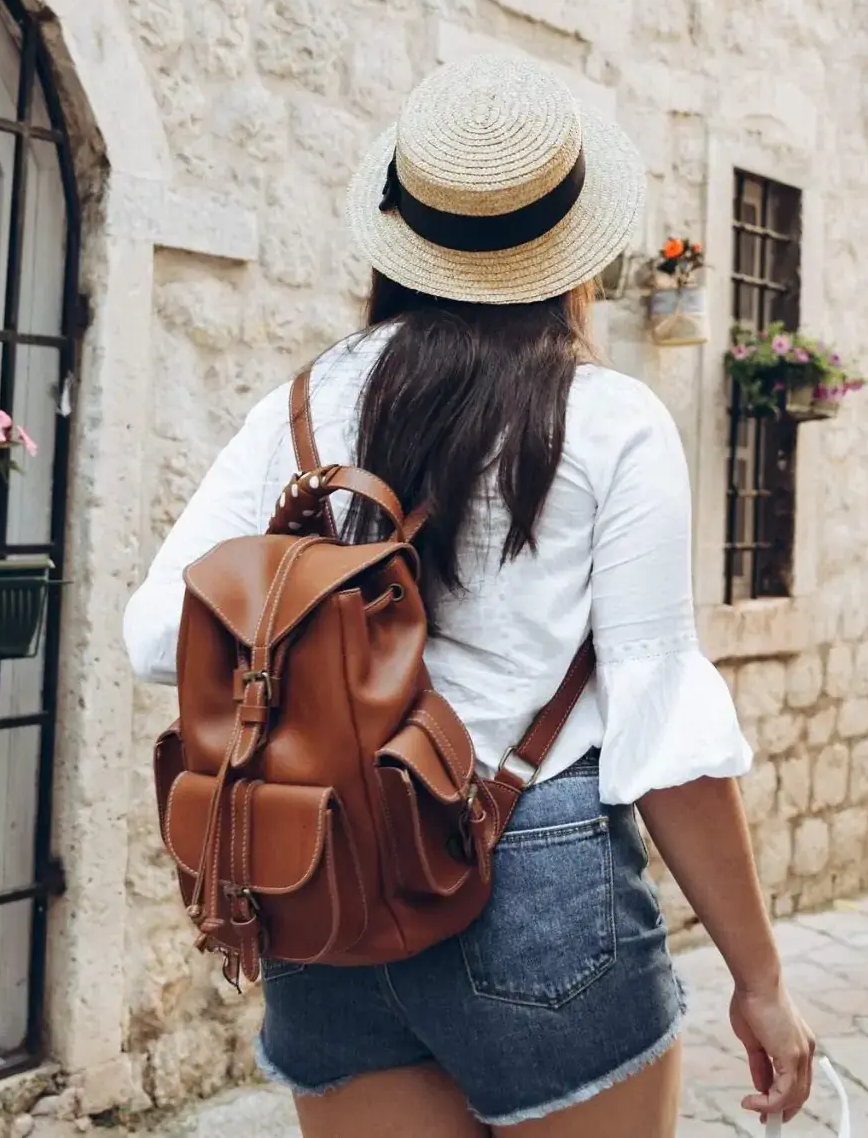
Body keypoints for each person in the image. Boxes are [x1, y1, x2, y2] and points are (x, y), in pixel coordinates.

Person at [124, 55, 816, 1135]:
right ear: (568, 252)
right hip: (536, 875)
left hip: (327, 874)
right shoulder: (608, 420)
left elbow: (155, 634)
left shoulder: (300, 411)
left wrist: (323, 622)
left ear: (403, 236)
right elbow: (662, 725)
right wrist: (759, 979)